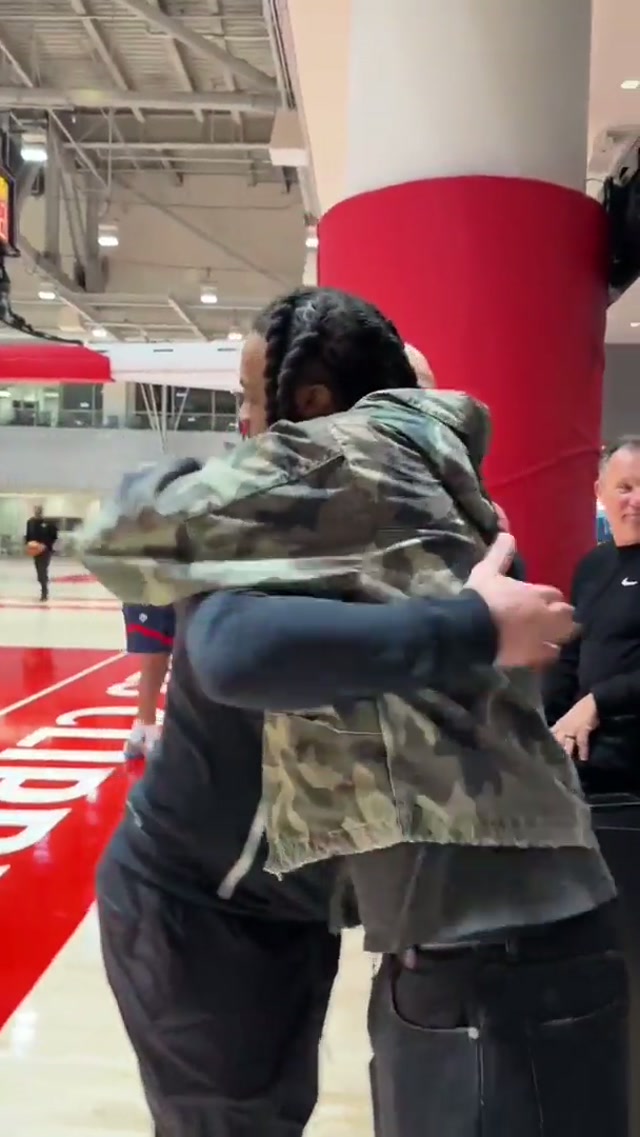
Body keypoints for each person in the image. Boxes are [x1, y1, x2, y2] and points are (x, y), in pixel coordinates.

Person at [79, 288, 625, 1137]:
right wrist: (474, 626)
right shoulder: (276, 526)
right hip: (202, 897)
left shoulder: (395, 504)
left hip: (314, 908)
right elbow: (224, 642)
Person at [545, 434, 640, 1134]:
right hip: (581, 795)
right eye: (623, 486)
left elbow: (598, 686)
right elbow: (568, 663)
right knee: (586, 970)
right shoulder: (593, 569)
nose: (633, 498)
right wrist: (541, 725)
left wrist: (599, 701)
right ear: (601, 498)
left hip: (633, 796)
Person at [121, 604, 174, 760]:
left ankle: (142, 731)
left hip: (187, 589)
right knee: (154, 654)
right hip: (152, 592)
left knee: (186, 653)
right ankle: (144, 730)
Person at [24, 504, 58, 602]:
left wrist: (46, 545)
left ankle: (44, 592)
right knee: (39, 571)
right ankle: (43, 584)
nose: (37, 511)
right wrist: (28, 544)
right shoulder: (30, 522)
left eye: (39, 510)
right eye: (36, 510)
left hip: (45, 550)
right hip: (35, 549)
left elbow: (54, 536)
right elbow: (28, 535)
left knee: (43, 570)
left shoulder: (48, 523)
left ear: (42, 511)